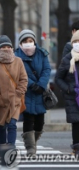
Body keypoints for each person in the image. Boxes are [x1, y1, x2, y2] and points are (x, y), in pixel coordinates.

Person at [0, 35, 28, 152]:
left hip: (15, 100)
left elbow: (23, 79)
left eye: (8, 46)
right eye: (3, 46)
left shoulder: (18, 61)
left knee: (12, 125)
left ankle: (11, 147)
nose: (6, 49)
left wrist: (19, 93)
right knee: (1, 125)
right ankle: (2, 146)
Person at [14, 29, 51, 156]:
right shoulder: (16, 55)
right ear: (21, 42)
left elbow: (47, 69)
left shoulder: (42, 53)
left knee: (40, 122)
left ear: (34, 41)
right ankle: (30, 148)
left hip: (40, 92)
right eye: (25, 41)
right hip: (26, 92)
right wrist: (31, 84)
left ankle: (33, 142)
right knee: (28, 119)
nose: (28, 43)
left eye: (30, 41)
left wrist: (41, 84)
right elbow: (17, 73)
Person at [55, 30, 79, 158]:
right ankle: (76, 148)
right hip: (73, 96)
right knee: (76, 123)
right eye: (75, 41)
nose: (77, 44)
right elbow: (58, 78)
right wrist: (68, 89)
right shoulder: (67, 59)